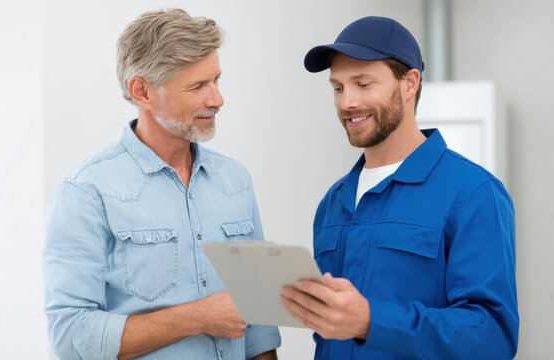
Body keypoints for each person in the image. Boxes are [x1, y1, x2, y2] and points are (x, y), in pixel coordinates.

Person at [43, 9, 280, 360]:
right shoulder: (87, 192)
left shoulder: (235, 180)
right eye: (198, 86)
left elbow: (259, 326)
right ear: (142, 91)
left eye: (216, 80)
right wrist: (198, 317)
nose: (217, 99)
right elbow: (71, 335)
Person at [280, 16, 518, 359]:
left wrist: (371, 321)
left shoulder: (474, 195)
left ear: (409, 84)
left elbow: (493, 338)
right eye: (338, 87)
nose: (347, 102)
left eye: (363, 84)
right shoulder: (333, 203)